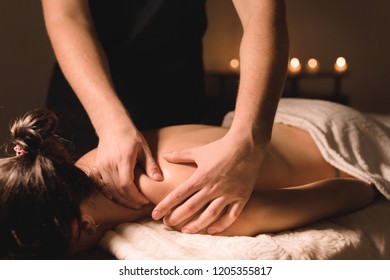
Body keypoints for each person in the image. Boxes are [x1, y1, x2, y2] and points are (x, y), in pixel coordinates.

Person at [1, 98, 384, 259]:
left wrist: (371, 189)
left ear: (83, 227)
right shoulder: (93, 159)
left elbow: (347, 190)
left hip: (332, 138)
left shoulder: (191, 201)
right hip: (282, 113)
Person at [40, 0, 289, 234]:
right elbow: (67, 16)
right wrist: (110, 123)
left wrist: (249, 141)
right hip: (87, 103)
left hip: (176, 94)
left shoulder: (166, 175)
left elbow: (260, 12)